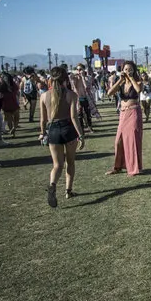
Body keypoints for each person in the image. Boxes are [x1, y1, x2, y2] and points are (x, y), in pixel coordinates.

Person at [39, 67, 85, 207]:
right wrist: (81, 135)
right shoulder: (71, 95)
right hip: (68, 129)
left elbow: (43, 119)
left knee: (57, 165)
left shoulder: (44, 96)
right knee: (70, 162)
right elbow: (73, 117)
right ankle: (68, 191)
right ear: (65, 79)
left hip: (53, 130)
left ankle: (52, 185)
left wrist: (42, 133)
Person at [105, 61, 143, 176]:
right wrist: (120, 81)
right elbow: (109, 93)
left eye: (130, 69)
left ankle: (134, 168)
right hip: (123, 113)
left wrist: (131, 78)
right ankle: (118, 167)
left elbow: (138, 90)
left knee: (132, 140)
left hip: (134, 111)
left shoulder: (138, 81)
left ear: (134, 70)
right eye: (126, 69)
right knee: (118, 141)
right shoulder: (120, 82)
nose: (127, 71)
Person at [0, 72, 21, 137]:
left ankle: (13, 132)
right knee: (16, 118)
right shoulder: (13, 84)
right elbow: (17, 92)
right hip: (13, 103)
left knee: (10, 120)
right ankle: (14, 129)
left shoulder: (1, 86)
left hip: (6, 104)